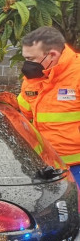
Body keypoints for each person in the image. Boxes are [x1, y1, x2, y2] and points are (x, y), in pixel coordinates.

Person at [17, 26, 80, 182]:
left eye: (30, 59)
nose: (27, 64)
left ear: (52, 55)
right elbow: (21, 114)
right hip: (46, 165)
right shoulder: (34, 78)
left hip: (76, 168)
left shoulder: (77, 75)